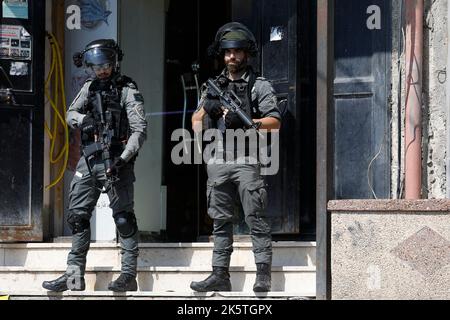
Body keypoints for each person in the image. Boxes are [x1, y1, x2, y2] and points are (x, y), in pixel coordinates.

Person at [42, 39, 147, 292]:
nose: (102, 71)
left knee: (123, 220)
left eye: (106, 65)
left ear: (114, 63)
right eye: (97, 67)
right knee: (77, 218)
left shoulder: (127, 90)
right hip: (89, 161)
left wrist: (124, 158)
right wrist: (84, 120)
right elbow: (70, 114)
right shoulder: (89, 88)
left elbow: (140, 130)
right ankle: (73, 277)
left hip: (117, 162)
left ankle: (128, 275)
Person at [190, 22, 281, 292]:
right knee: (220, 220)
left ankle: (263, 274)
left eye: (238, 52)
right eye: (228, 52)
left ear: (246, 54)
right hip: (218, 158)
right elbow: (195, 122)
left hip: (246, 158)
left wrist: (249, 122)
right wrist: (208, 108)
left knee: (255, 217)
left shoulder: (258, 85)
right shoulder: (213, 86)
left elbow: (275, 122)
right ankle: (220, 274)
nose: (232, 56)